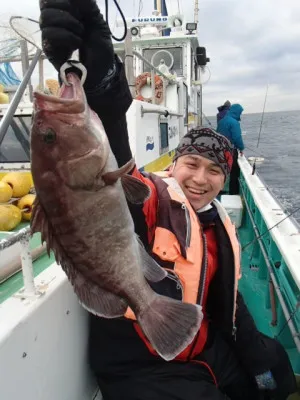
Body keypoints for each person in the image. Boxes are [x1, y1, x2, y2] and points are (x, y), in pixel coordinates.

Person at [39, 1, 297, 399]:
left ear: (225, 179)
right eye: (190, 164)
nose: (200, 179)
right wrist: (102, 82)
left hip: (199, 346)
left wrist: (255, 353)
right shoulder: (150, 196)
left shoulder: (211, 222)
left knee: (276, 370)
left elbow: (225, 294)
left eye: (214, 171)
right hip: (141, 363)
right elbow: (120, 160)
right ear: (173, 166)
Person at [217, 104, 245, 195]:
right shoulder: (234, 122)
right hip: (230, 151)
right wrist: (241, 148)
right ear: (237, 112)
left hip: (220, 150)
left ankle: (219, 190)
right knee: (234, 172)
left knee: (222, 170)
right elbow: (237, 137)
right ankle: (233, 192)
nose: (240, 114)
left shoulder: (222, 121)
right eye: (240, 113)